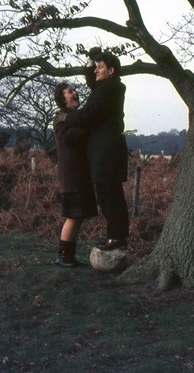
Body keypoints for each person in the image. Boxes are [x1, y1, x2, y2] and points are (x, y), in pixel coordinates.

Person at [63, 49, 130, 251]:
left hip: (107, 152)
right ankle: (115, 236)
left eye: (100, 67)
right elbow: (92, 82)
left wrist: (66, 117)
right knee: (107, 194)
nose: (95, 70)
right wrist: (90, 61)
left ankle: (117, 238)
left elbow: (89, 114)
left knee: (110, 195)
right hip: (105, 152)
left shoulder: (110, 88)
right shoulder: (106, 87)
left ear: (111, 70)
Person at [52, 82, 98, 267]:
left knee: (78, 216)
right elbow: (69, 139)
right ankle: (63, 256)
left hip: (79, 174)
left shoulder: (71, 117)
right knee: (73, 216)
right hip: (71, 176)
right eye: (70, 92)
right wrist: (88, 127)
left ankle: (68, 256)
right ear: (63, 99)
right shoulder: (62, 119)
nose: (75, 93)